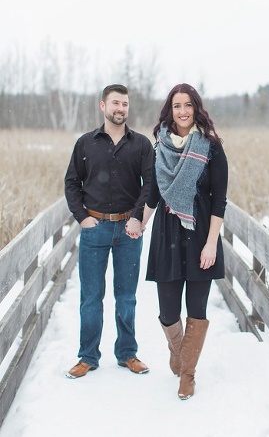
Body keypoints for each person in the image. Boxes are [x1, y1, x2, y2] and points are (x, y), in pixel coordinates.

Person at [140, 82, 228, 400]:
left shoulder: (211, 147)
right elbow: (152, 193)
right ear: (170, 110)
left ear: (196, 108)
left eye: (188, 105)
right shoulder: (159, 147)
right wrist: (141, 221)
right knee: (167, 311)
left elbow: (219, 200)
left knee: (197, 310)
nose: (183, 111)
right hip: (166, 234)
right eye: (177, 106)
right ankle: (179, 354)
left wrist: (211, 243)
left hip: (200, 234)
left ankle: (187, 375)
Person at [63, 83, 154, 378]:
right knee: (91, 297)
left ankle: (127, 353)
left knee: (126, 297)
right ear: (103, 106)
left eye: (125, 104)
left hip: (128, 231)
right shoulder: (85, 143)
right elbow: (71, 183)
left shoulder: (141, 144)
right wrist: (82, 218)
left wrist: (137, 217)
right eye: (115, 103)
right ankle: (87, 356)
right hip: (95, 229)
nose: (121, 109)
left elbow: (151, 184)